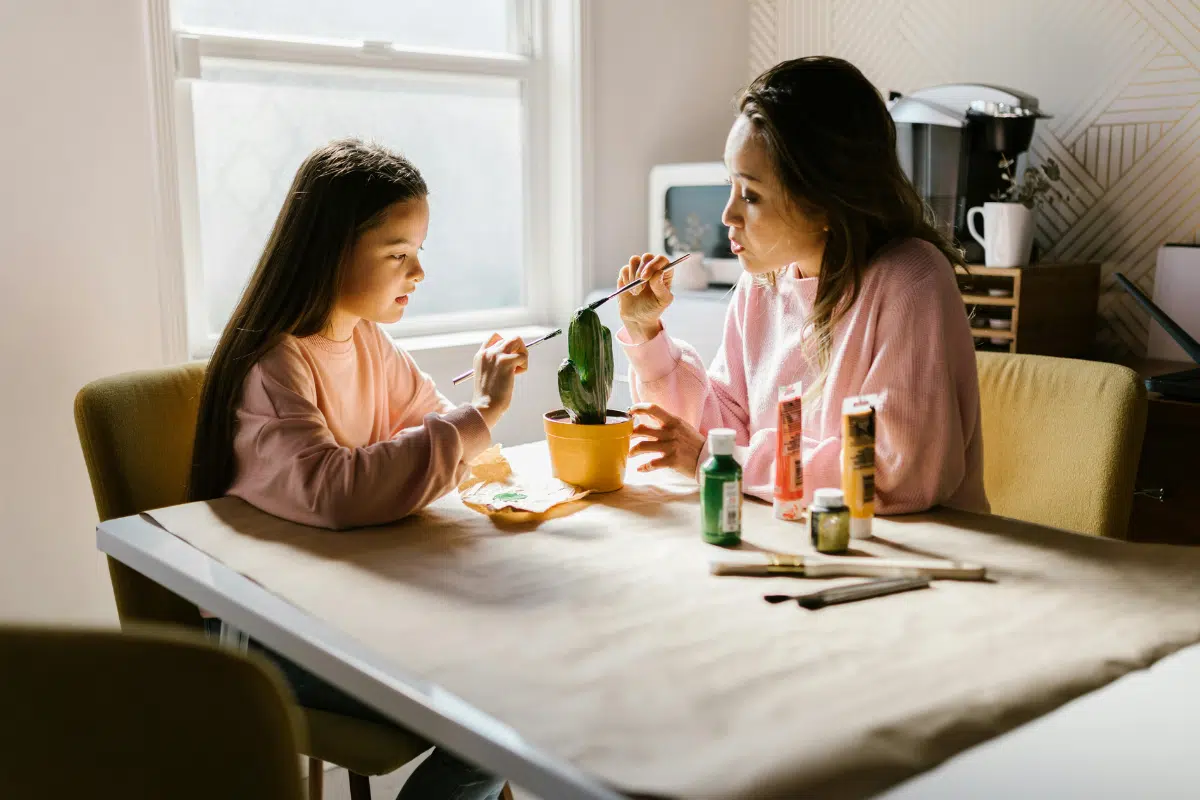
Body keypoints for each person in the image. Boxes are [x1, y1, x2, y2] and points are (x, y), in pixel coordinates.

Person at [189, 138, 520, 799]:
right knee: (498, 721)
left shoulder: (368, 341)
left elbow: (435, 424)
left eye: (420, 252)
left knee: (515, 684)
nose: (418, 273)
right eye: (399, 254)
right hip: (276, 640)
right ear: (331, 250)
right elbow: (333, 489)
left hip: (350, 611)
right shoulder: (276, 364)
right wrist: (480, 416)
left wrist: (495, 463)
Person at [617, 57, 988, 515]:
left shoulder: (911, 281)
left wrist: (722, 461)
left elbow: (896, 473)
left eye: (750, 195)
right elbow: (723, 429)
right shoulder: (763, 283)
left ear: (823, 201)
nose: (727, 215)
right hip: (797, 539)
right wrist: (650, 337)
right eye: (730, 186)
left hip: (919, 559)